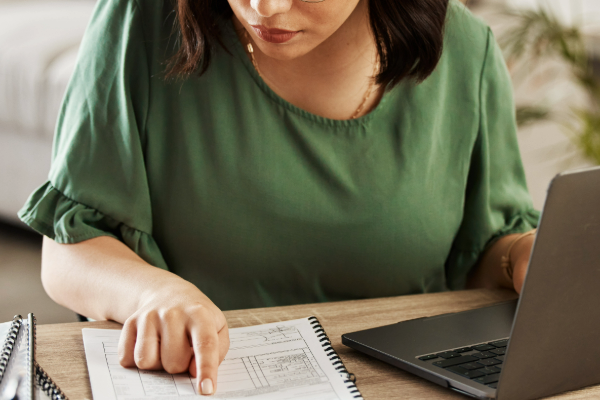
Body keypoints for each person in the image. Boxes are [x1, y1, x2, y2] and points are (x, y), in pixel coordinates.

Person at [18, 0, 539, 395]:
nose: (264, 8)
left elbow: (482, 256)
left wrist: (523, 255)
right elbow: (68, 251)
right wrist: (154, 295)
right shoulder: (145, 20)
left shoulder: (468, 53)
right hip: (200, 384)